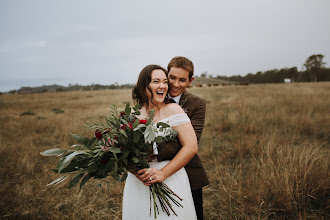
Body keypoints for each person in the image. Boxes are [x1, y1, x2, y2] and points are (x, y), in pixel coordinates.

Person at [122, 65, 198, 219]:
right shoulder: (131, 116)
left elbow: (191, 147)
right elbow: (123, 154)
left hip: (171, 177)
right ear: (144, 86)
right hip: (139, 183)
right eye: (156, 81)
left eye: (164, 81)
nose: (163, 85)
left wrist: (162, 173)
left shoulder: (173, 110)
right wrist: (136, 172)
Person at [158, 56, 209, 220]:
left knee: (192, 215)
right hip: (155, 171)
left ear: (190, 80)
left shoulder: (197, 104)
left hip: (187, 171)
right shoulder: (155, 99)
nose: (175, 84)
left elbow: (191, 142)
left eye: (182, 80)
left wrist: (152, 150)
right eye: (172, 78)